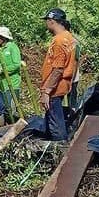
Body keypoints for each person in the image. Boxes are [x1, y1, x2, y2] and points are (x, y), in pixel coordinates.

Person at [40, 8, 77, 141]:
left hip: (54, 88)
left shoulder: (59, 41)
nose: (46, 24)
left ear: (52, 21)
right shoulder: (69, 37)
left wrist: (47, 91)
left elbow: (58, 69)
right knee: (54, 118)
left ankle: (60, 149)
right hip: (63, 84)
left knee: (56, 122)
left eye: (47, 21)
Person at [0, 26, 21, 124]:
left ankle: (14, 128)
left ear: (4, 37)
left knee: (10, 111)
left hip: (12, 83)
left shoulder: (12, 47)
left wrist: (2, 70)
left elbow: (16, 64)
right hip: (0, 84)